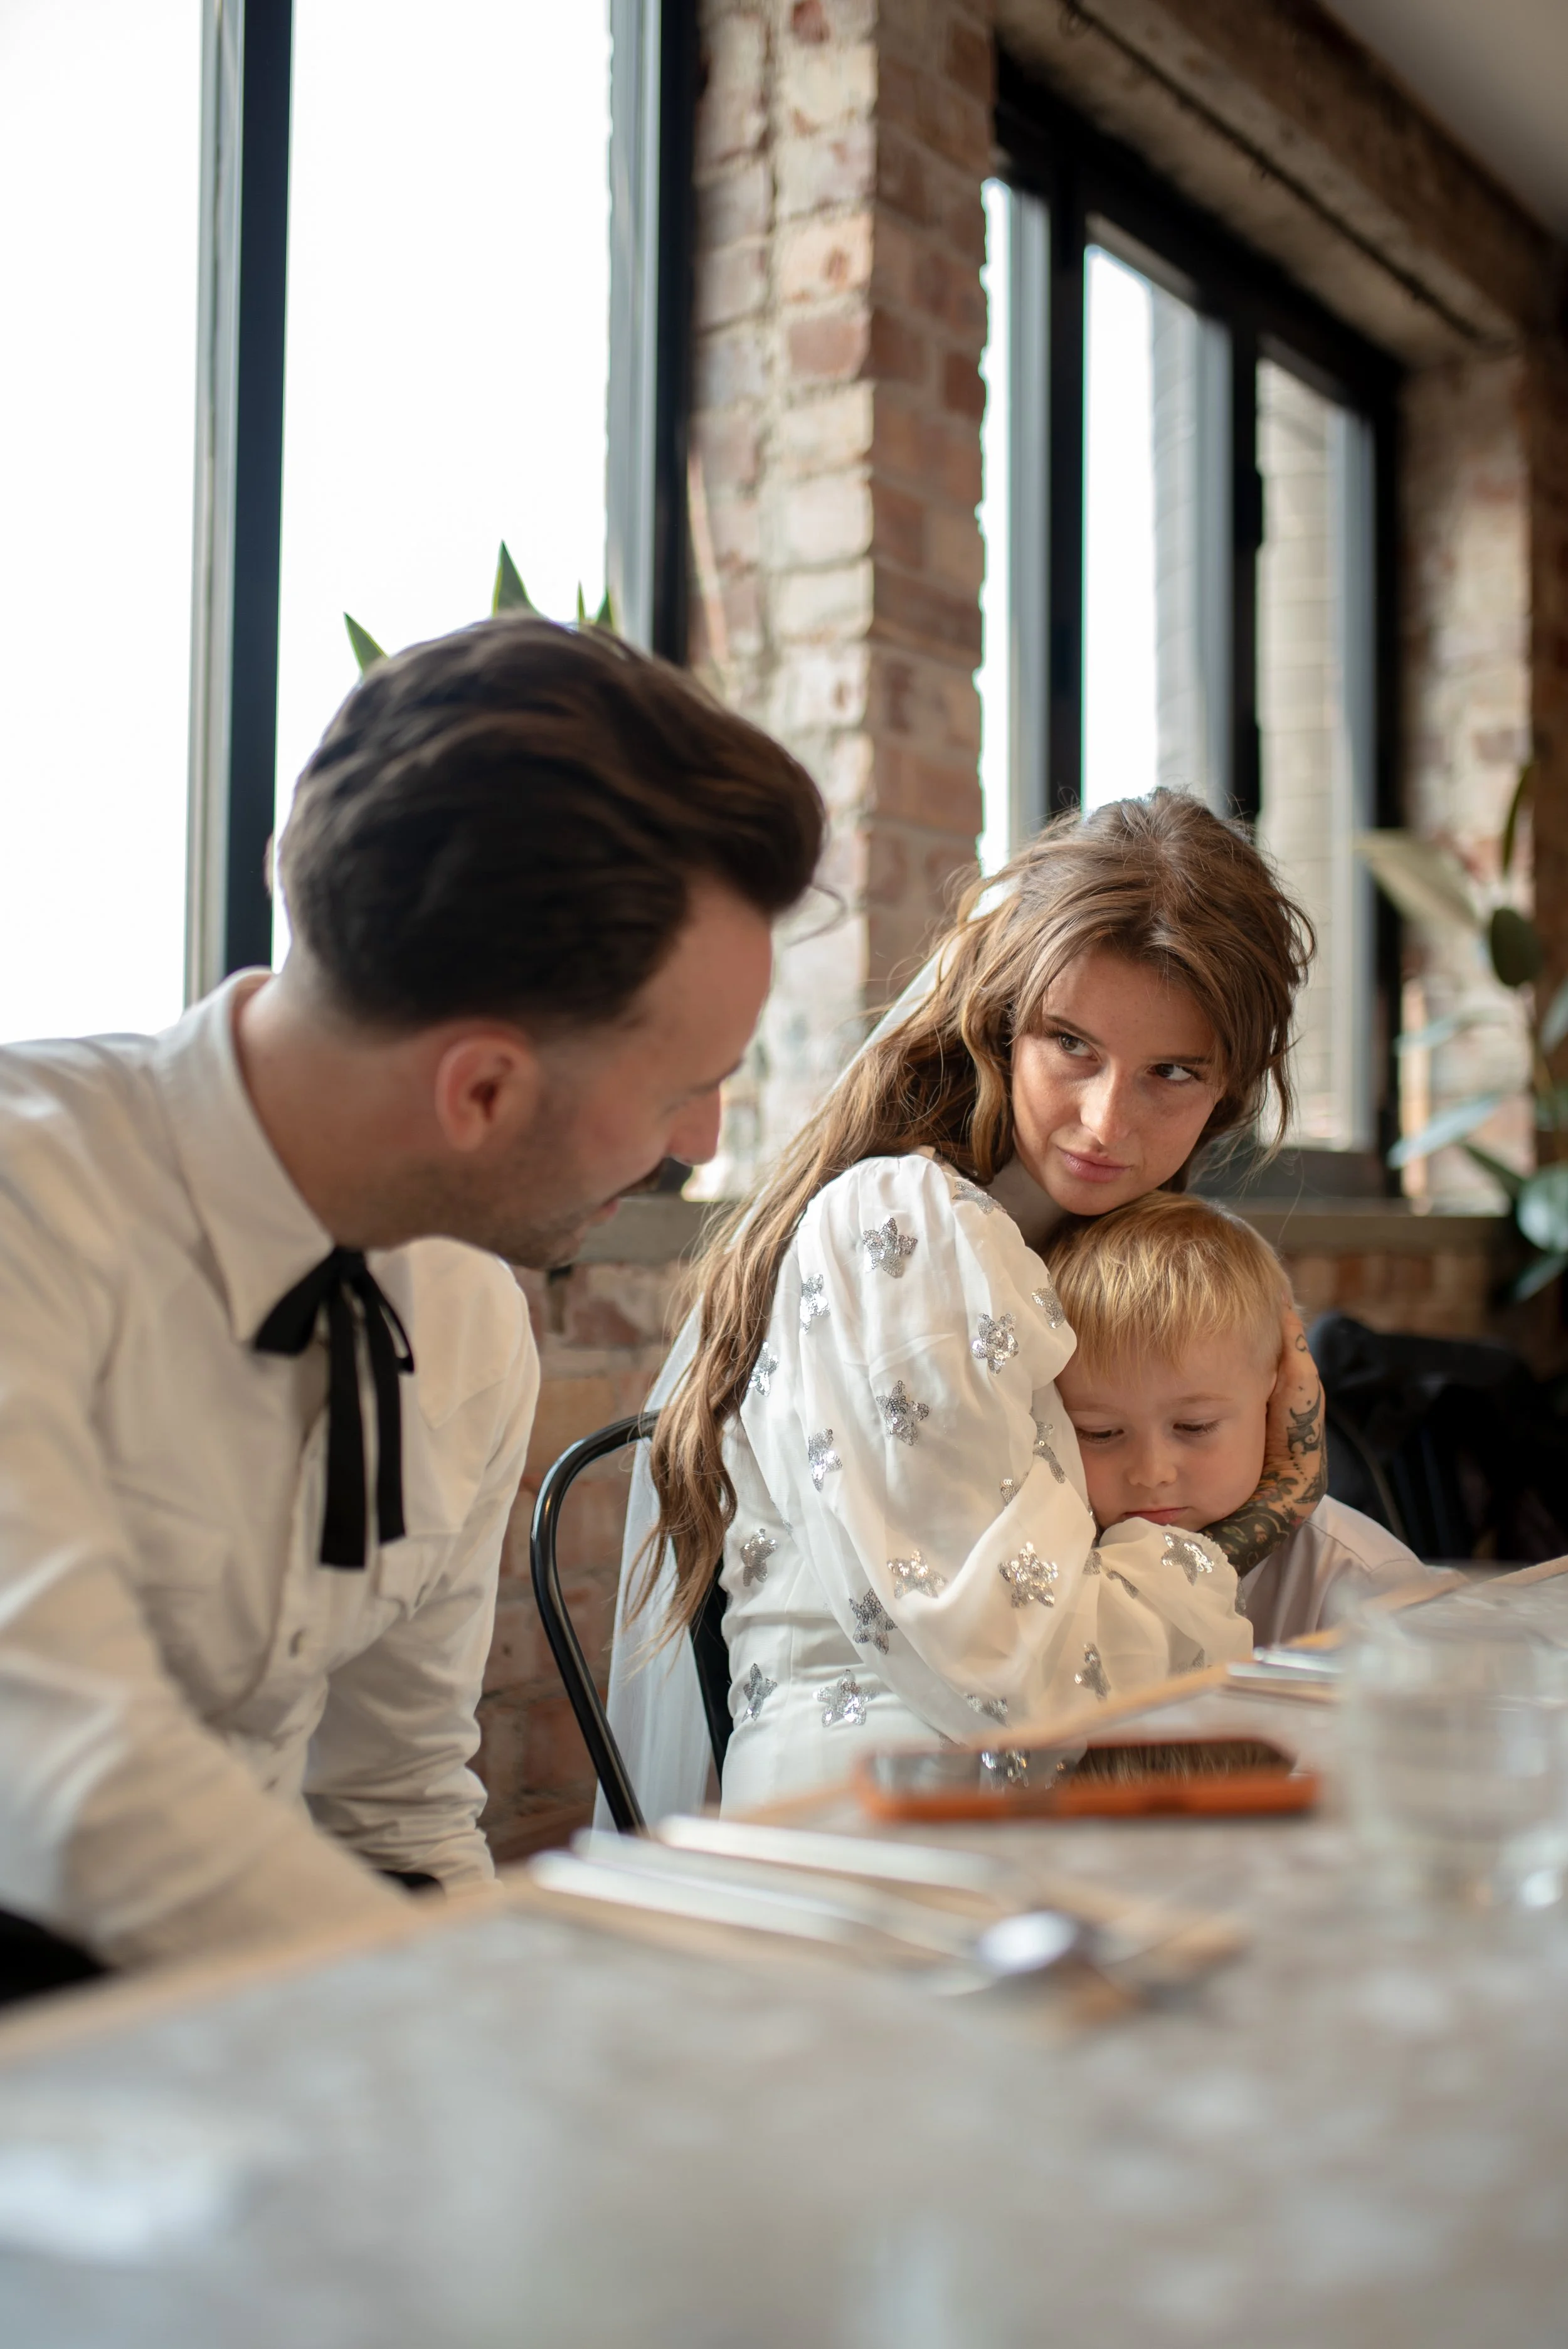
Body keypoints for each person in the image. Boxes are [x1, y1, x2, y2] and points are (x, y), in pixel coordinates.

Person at [0, 614, 824, 2000]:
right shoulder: (32, 1210)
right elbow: (67, 1780)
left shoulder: (463, 1311)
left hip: (241, 2052)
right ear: (482, 1092)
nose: (704, 1135)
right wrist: (469, 2023)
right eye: (688, 1083)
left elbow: (393, 1809)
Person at [610, 791, 1329, 1816]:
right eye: (1070, 1045)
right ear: (1004, 1020)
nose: (1106, 1120)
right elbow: (1029, 1691)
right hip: (874, 1827)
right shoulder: (901, 1230)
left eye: (1172, 1072)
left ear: (1230, 1091)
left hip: (1047, 1803)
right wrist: (1254, 1523)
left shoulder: (1107, 1258)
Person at [1046, 1193, 1424, 1643]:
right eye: (1100, 1432)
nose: (1152, 1472)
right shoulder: (1049, 1555)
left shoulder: (1364, 1583)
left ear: (1279, 1393)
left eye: (1195, 1426)